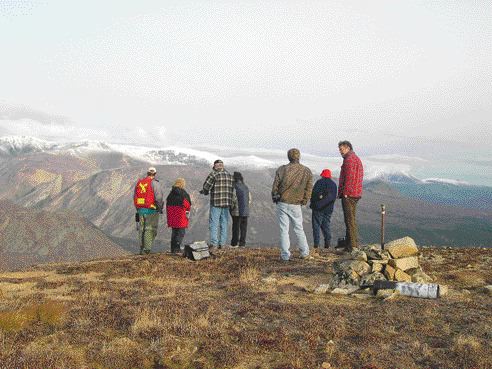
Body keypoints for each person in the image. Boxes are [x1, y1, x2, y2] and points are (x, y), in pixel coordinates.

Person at [271, 148, 313, 261]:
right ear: (299, 156)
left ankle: (285, 255)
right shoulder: (306, 171)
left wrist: (275, 197)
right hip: (296, 203)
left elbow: (275, 186)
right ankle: (304, 252)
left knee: (284, 229)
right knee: (299, 228)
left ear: (288, 157)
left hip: (283, 202)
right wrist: (304, 200)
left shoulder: (282, 169)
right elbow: (309, 188)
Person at [200, 159, 234, 249]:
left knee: (214, 223)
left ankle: (214, 244)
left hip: (216, 203)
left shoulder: (213, 174)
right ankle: (222, 244)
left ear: (215, 166)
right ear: (222, 166)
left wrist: (204, 192)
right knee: (224, 223)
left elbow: (206, 187)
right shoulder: (229, 175)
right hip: (226, 203)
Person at [337, 140, 364, 252]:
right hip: (356, 193)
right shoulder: (356, 159)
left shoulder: (349, 160)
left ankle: (352, 246)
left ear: (348, 148)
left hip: (349, 194)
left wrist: (346, 193)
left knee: (349, 220)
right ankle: (349, 245)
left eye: (341, 149)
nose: (340, 151)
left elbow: (349, 178)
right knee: (351, 219)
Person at [133, 167, 164, 255]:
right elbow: (159, 198)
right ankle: (146, 250)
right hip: (151, 210)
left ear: (147, 173)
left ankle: (141, 249)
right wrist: (160, 208)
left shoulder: (139, 183)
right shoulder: (155, 183)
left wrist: (138, 208)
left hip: (140, 209)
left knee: (141, 229)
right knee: (150, 229)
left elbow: (135, 196)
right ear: (155, 174)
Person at [310, 169, 337, 250]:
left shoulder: (319, 182)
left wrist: (314, 203)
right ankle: (327, 244)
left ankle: (316, 245)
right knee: (326, 225)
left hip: (318, 208)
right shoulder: (333, 184)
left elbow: (314, 194)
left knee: (316, 226)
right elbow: (334, 197)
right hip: (328, 209)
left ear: (322, 175)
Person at [166, 178, 191, 254]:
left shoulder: (170, 194)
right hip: (180, 216)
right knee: (180, 233)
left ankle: (173, 249)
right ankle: (177, 249)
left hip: (172, 216)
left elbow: (167, 205)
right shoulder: (183, 193)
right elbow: (187, 205)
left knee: (174, 232)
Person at [230, 171, 251, 247]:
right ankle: (242, 244)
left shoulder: (234, 186)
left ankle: (234, 243)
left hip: (237, 211)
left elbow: (233, 199)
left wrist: (231, 208)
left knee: (236, 227)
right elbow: (249, 199)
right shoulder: (245, 186)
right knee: (243, 228)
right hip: (245, 210)